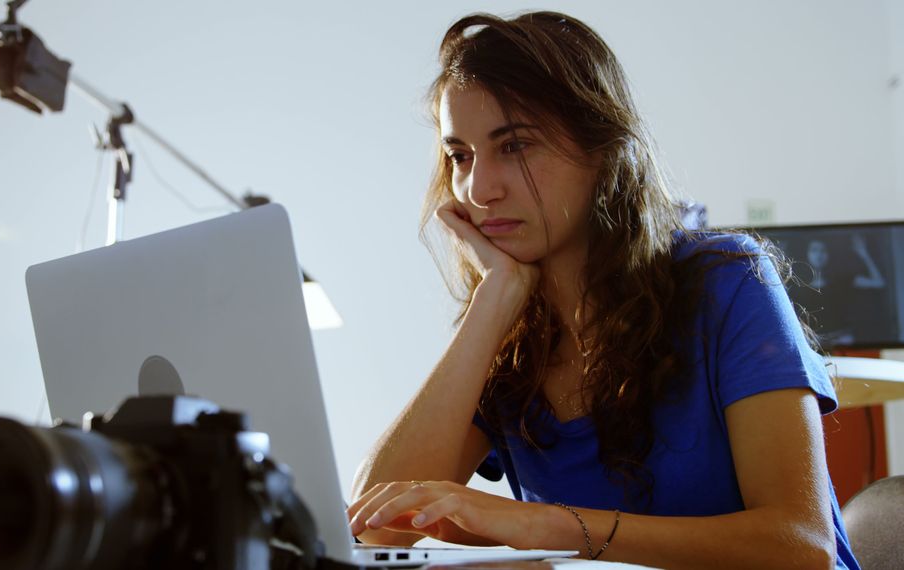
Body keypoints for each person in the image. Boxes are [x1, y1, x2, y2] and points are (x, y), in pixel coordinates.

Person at [347, 11, 859, 569]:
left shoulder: (726, 280)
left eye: (514, 146)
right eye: (460, 156)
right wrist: (492, 302)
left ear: (600, 147)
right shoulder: (507, 330)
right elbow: (373, 528)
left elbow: (801, 548)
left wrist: (541, 526)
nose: (478, 188)